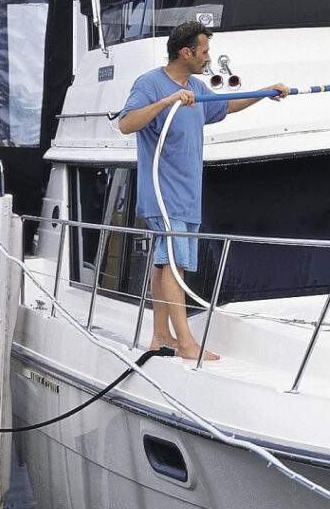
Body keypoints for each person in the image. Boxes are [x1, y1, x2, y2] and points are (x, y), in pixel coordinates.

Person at [118, 21, 288, 360]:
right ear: (186, 52)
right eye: (204, 51)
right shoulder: (151, 84)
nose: (208, 57)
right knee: (176, 265)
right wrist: (167, 102)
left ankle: (160, 336)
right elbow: (127, 123)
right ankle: (186, 343)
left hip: (187, 195)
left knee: (164, 264)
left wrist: (264, 93)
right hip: (165, 196)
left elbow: (224, 105)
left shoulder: (196, 87)